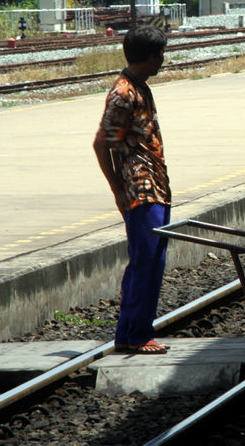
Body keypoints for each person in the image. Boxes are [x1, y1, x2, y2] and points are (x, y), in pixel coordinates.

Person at [93, 25, 171, 354]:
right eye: (159, 55)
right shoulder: (123, 93)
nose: (162, 61)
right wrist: (117, 190)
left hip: (153, 187)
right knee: (146, 261)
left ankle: (128, 333)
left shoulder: (140, 87)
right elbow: (101, 144)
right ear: (149, 57)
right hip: (140, 190)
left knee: (148, 261)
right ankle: (138, 335)